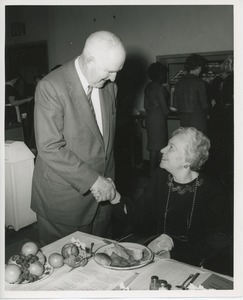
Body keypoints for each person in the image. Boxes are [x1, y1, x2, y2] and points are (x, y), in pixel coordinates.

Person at [31, 31, 126, 246]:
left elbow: (103, 143)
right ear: (90, 61)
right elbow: (49, 147)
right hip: (64, 202)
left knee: (100, 264)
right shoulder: (52, 87)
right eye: (110, 71)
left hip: (103, 198)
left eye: (117, 71)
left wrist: (106, 187)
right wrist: (94, 180)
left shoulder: (110, 87)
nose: (113, 79)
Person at [106, 127, 232, 268]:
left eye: (171, 147)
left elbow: (216, 242)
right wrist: (114, 197)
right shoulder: (160, 178)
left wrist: (175, 254)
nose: (162, 150)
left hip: (196, 262)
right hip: (161, 253)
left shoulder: (212, 190)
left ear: (188, 160)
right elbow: (138, 215)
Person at [144, 62, 170, 176]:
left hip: (150, 117)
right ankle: (159, 175)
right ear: (160, 75)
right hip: (158, 119)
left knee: (153, 148)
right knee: (160, 147)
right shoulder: (160, 88)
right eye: (165, 74)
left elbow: (145, 105)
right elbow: (165, 110)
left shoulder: (148, 87)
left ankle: (151, 174)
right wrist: (171, 110)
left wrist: (154, 106)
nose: (166, 76)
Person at [173, 54, 208, 135]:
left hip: (184, 119)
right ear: (198, 67)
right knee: (199, 144)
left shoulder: (179, 81)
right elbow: (204, 105)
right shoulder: (199, 82)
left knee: (187, 143)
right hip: (198, 118)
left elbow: (175, 104)